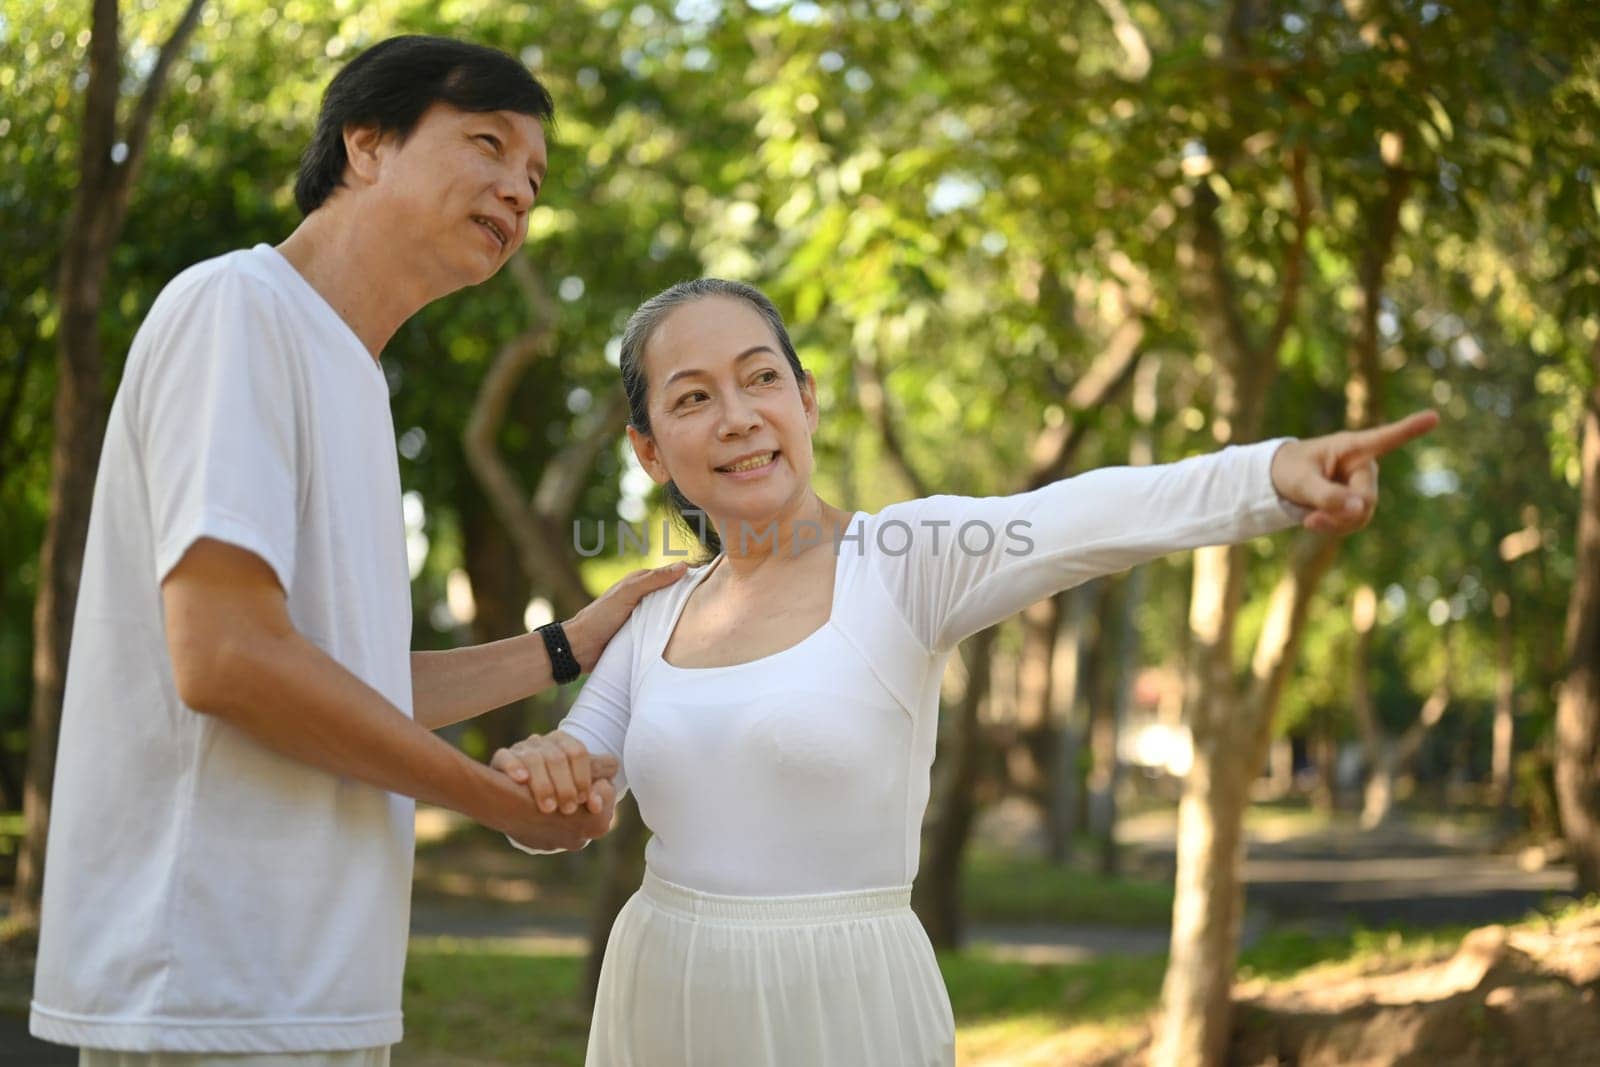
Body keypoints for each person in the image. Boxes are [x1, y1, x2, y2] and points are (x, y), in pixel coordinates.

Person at [492, 277, 1439, 1066]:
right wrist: (544, 763)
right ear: (649, 448)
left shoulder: (902, 560)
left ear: (807, 398)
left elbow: (1093, 514)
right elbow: (560, 807)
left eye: (760, 379)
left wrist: (1272, 473)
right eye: (693, 396)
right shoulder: (654, 611)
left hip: (847, 1003)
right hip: (663, 988)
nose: (738, 417)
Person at [30, 35, 683, 1066]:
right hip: (210, 988)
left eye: (534, 178)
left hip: (319, 991)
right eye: (486, 143)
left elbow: (351, 685)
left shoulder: (350, 376)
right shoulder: (239, 310)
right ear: (365, 145)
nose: (517, 191)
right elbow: (229, 660)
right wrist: (494, 798)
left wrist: (570, 644)